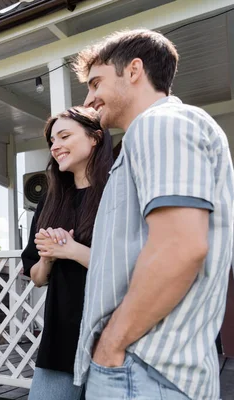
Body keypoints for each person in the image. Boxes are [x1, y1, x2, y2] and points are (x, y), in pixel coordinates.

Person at [72, 29, 234, 400]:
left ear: (133, 70)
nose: (89, 99)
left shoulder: (160, 124)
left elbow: (181, 247)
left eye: (96, 83)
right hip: (146, 369)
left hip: (142, 369)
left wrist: (111, 345)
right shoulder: (152, 133)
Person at [21, 107, 113, 400]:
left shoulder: (117, 191)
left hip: (111, 335)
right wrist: (48, 257)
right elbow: (36, 277)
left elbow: (128, 268)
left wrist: (73, 251)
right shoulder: (50, 199)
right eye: (52, 140)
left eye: (64, 136)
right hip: (59, 340)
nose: (55, 146)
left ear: (95, 138)